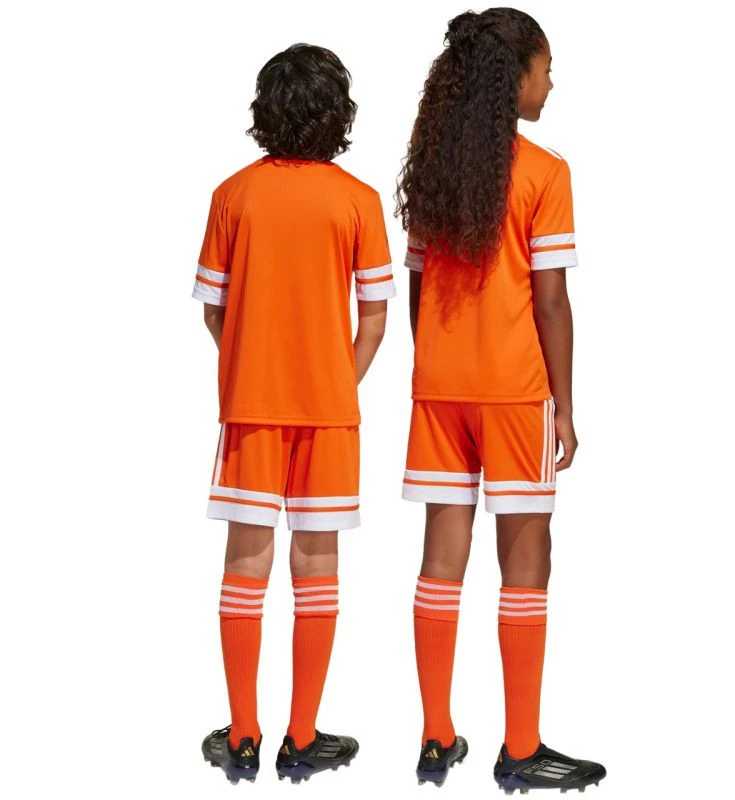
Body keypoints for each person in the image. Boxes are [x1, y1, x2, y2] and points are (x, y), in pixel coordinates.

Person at [396, 8, 606, 794]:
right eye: (546, 69)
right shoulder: (545, 173)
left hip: (439, 390)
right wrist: (565, 405)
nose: (552, 83)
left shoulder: (433, 168)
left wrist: (434, 366)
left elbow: (419, 289)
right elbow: (550, 300)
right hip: (515, 393)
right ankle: (520, 749)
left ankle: (435, 736)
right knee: (527, 561)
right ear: (514, 76)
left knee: (439, 561)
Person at [193, 43, 395, 785]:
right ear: (338, 113)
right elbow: (375, 319)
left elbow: (213, 309)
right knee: (317, 563)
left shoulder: (232, 194)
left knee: (246, 561)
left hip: (250, 406)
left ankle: (243, 734)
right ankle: (301, 736)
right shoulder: (359, 200)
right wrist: (336, 382)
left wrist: (250, 362)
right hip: (329, 412)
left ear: (265, 108)